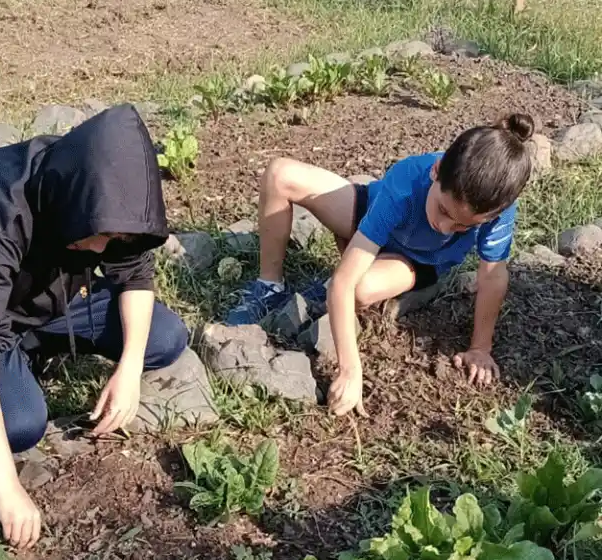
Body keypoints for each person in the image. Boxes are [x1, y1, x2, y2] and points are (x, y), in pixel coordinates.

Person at [0, 104, 187, 548]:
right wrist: (6, 487)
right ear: (68, 199)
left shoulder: (103, 192)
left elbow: (134, 273)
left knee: (164, 339)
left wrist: (130, 368)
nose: (100, 247)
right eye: (95, 235)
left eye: (111, 237)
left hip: (51, 302)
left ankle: (34, 346)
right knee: (19, 425)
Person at [226, 113, 534, 417]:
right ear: (436, 171)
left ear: (491, 217)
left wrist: (480, 347)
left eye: (462, 227)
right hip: (367, 213)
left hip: (415, 260)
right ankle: (269, 286)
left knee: (359, 289)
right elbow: (342, 282)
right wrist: (350, 369)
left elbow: (492, 276)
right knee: (281, 174)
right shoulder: (408, 179)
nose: (443, 226)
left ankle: (384, 272)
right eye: (442, 209)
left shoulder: (497, 210)